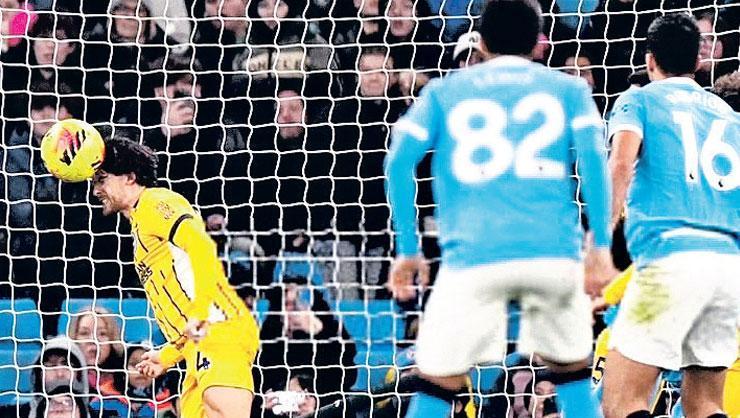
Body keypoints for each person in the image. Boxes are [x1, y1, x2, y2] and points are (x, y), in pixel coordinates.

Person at [384, 1, 616, 418]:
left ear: (482, 43)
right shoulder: (569, 90)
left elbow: (398, 163)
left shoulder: (445, 92)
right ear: (539, 44)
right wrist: (600, 244)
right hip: (552, 254)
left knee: (436, 388)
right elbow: (595, 162)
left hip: (472, 258)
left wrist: (408, 249)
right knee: (573, 379)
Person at [603, 13, 739, 418]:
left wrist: (598, 244)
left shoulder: (638, 99)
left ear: (649, 60)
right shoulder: (730, 116)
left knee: (621, 402)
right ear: (697, 62)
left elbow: (621, 165)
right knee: (705, 405)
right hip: (727, 267)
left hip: (669, 265)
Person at [90, 137, 260, 418]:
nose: (96, 190)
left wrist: (200, 312)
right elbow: (179, 297)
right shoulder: (140, 224)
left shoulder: (155, 203)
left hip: (219, 331)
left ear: (130, 177)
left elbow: (202, 246)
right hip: (197, 344)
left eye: (102, 180)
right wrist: (169, 355)